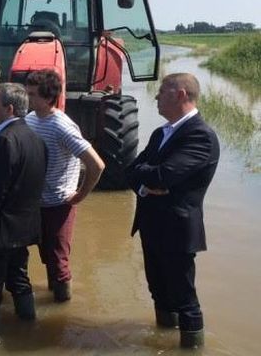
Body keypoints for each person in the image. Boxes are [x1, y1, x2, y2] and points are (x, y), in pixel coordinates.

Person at [125, 73, 219, 349]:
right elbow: (130, 171)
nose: (156, 97)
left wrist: (148, 176)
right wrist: (144, 185)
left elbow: (163, 176)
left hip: (177, 230)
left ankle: (191, 348)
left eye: (162, 92)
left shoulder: (200, 135)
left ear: (180, 94)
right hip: (151, 224)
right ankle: (163, 339)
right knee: (158, 291)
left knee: (184, 298)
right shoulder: (161, 133)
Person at [0, 83, 47, 331]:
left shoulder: (5, 141)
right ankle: (28, 326)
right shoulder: (36, 139)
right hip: (23, 229)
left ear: (9, 109)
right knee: (19, 279)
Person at [24, 69, 105, 302]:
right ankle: (52, 297)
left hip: (59, 204)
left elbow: (96, 165)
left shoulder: (62, 126)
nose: (28, 99)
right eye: (27, 93)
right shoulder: (29, 120)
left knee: (59, 262)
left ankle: (61, 315)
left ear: (48, 97)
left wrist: (80, 195)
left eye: (32, 94)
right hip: (35, 205)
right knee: (46, 257)